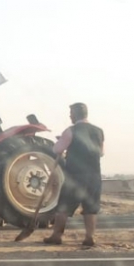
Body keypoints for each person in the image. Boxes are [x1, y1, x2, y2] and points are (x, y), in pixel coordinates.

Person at [44, 103, 104, 247]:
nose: (69, 116)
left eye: (71, 113)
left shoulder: (70, 131)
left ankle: (56, 235)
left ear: (76, 114)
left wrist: (62, 140)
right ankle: (90, 237)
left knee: (63, 207)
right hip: (94, 176)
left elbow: (57, 149)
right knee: (90, 207)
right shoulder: (98, 131)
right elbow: (101, 152)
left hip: (75, 176)